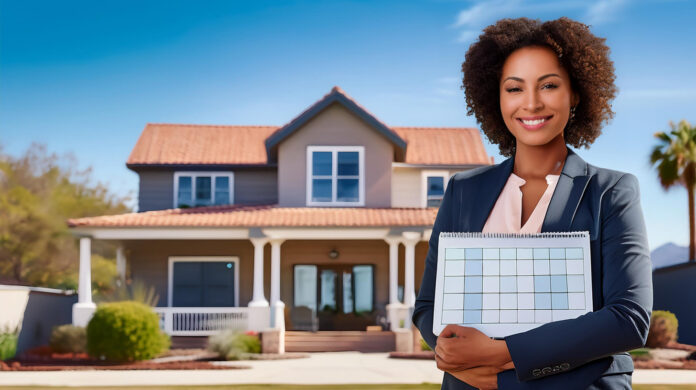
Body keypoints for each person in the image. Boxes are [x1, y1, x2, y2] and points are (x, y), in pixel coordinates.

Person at [412, 17, 652, 390]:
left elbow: (629, 318)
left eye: (549, 85)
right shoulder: (463, 190)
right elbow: (428, 306)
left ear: (575, 94)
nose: (531, 103)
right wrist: (454, 352)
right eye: (514, 88)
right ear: (496, 97)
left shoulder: (611, 192)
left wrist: (500, 357)